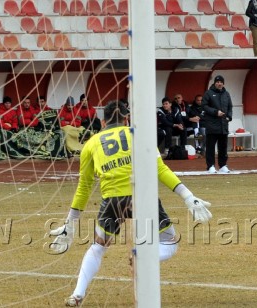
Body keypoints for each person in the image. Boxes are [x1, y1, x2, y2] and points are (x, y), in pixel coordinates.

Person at [49, 100, 212, 307]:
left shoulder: (91, 144)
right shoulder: (140, 134)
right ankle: (141, 255)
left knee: (98, 247)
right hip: (143, 197)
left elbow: (84, 187)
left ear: (102, 121)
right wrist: (188, 196)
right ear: (126, 119)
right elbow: (160, 169)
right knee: (170, 243)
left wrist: (70, 222)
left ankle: (77, 294)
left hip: (113, 200)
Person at [202, 75, 233, 174]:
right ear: (215, 83)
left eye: (221, 82)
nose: (219, 84)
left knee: (223, 147)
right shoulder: (208, 93)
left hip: (223, 125)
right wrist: (215, 112)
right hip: (212, 125)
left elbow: (230, 107)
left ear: (223, 83)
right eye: (217, 82)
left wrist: (229, 116)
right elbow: (204, 106)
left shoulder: (226, 94)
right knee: (210, 147)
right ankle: (210, 166)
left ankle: (223, 165)